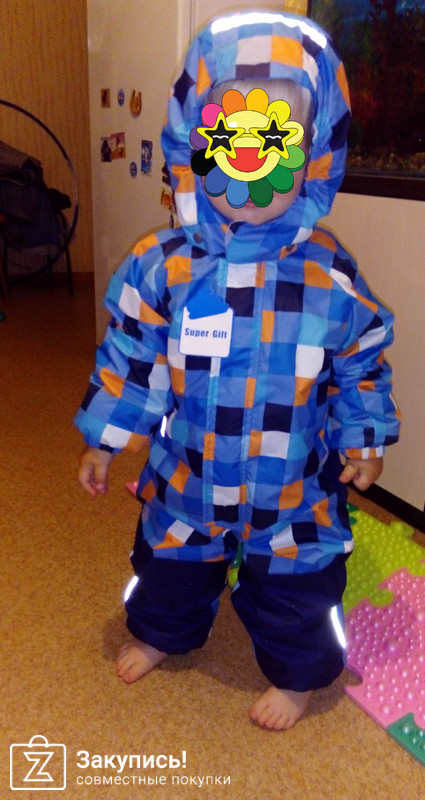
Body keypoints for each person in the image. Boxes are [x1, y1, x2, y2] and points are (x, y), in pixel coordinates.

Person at [75, 11, 400, 731]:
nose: (247, 167)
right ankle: (162, 633)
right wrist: (104, 437)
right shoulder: (163, 267)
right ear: (193, 150)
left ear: (314, 161)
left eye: (276, 147)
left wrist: (365, 437)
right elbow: (129, 356)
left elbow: (363, 360)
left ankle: (298, 674)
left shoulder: (328, 276)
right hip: (188, 478)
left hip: (293, 490)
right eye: (226, 144)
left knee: (300, 594)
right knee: (167, 571)